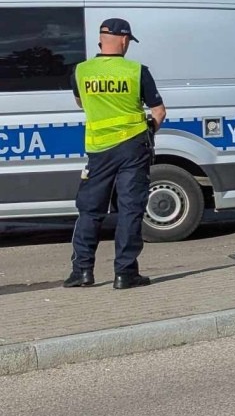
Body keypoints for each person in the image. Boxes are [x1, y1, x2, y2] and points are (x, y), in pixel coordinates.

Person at [65, 19, 166, 290]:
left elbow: (80, 103)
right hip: (133, 150)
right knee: (130, 210)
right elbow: (159, 111)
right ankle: (125, 273)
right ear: (123, 40)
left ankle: (82, 272)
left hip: (98, 151)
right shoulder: (136, 71)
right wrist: (149, 132)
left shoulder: (81, 71)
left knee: (89, 211)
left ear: (101, 40)